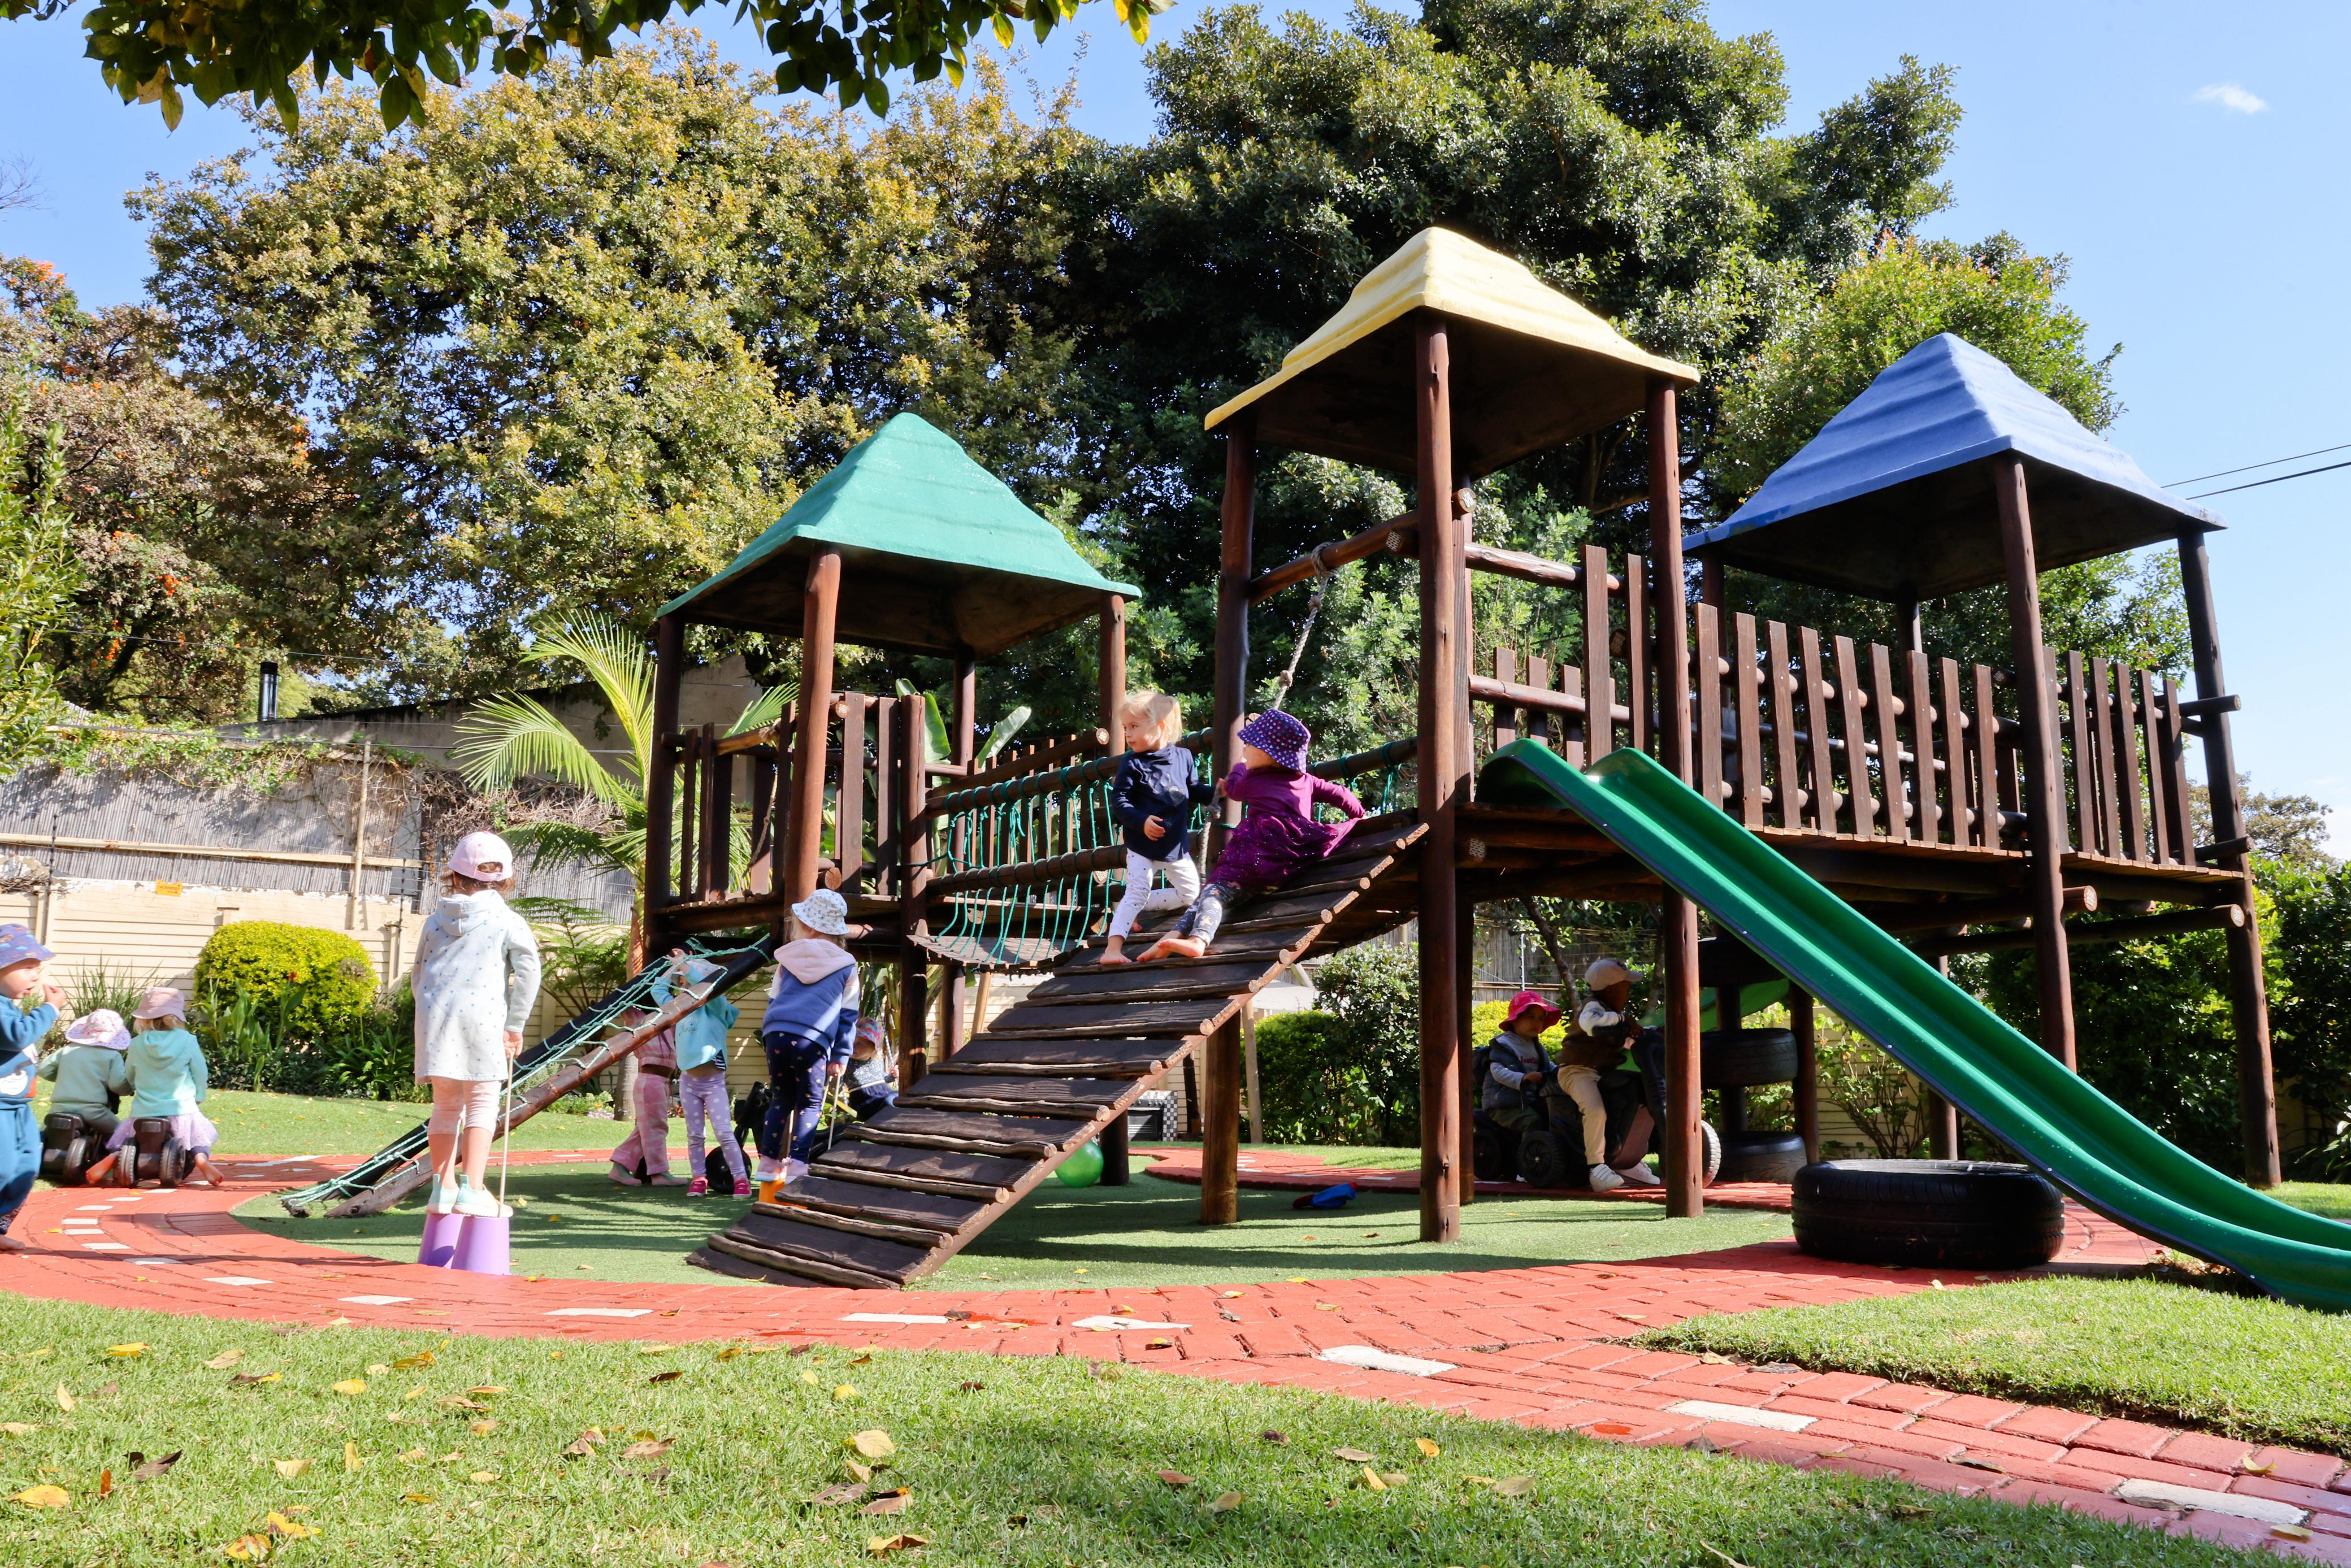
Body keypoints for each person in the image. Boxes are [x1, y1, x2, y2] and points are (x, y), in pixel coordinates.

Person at [1139, 710, 1364, 962]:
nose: (1244, 749)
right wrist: (1360, 815)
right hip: (1289, 862)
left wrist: (1237, 770)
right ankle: (1168, 941)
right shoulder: (1308, 780)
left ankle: (1198, 939)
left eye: (1249, 745)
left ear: (1267, 753)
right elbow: (1340, 793)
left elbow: (1233, 791)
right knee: (1209, 894)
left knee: (1214, 893)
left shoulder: (1253, 779)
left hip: (1254, 859)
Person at [410, 831, 541, 1218]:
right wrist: (515, 1024)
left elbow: (419, 974)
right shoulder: (506, 919)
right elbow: (529, 971)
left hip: (436, 1019)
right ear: (504, 878)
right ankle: (474, 1188)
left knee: (445, 1105)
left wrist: (431, 1015)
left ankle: (442, 1187)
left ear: (454, 874)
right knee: (483, 1102)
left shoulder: (435, 919)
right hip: (483, 1017)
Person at [754, 889, 861, 1189]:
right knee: (810, 1103)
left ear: (811, 927)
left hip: (776, 1034)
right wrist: (841, 1055)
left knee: (781, 1098)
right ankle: (799, 1163)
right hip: (812, 1041)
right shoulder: (847, 965)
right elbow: (848, 1014)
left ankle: (768, 1161)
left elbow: (774, 999)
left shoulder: (786, 958)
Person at [1100, 691, 1215, 966]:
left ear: (1161, 725)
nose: (1128, 733)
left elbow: (1194, 790)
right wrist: (1141, 821)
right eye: (1126, 727)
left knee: (1191, 895)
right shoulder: (1132, 762)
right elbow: (1119, 800)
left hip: (1174, 845)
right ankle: (1112, 949)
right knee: (1137, 889)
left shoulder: (1185, 757)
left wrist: (1220, 792)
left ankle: (1132, 906)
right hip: (1141, 844)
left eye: (1135, 726)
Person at [84, 988, 225, 1188]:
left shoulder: (136, 1043)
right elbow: (200, 1072)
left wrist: (132, 1086)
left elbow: (130, 1075)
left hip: (144, 1111)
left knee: (130, 1139)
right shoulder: (188, 1041)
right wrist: (199, 1095)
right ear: (176, 1017)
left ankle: (115, 1156)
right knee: (196, 1139)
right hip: (181, 1109)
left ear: (144, 1019)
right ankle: (202, 1159)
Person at [1558, 956, 1663, 1188]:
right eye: (1626, 986)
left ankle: (1628, 1157)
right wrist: (1623, 1018)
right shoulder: (1594, 1006)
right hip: (1577, 1072)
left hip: (1602, 1072)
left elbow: (1625, 1040)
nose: (1628, 991)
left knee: (1638, 1094)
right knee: (1596, 1111)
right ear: (1612, 989)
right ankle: (1595, 1168)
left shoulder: (1612, 1013)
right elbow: (1590, 1025)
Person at [0, 926, 69, 1250]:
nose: (34, 977)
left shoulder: (9, 1007)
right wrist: (50, 1009)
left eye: (36, 969)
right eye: (26, 967)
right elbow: (18, 1036)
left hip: (19, 1107)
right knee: (2, 1168)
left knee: (26, 1166)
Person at [669, 952, 748, 1197]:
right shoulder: (679, 1009)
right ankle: (699, 1178)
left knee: (724, 1132)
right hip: (688, 1081)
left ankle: (740, 1179)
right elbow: (659, 993)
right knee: (695, 1134)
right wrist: (668, 970)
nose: (682, 988)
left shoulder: (715, 1006)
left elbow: (707, 991)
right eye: (680, 985)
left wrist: (687, 967)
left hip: (713, 1083)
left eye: (686, 983)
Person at [606, 1001, 684, 1187]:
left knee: (647, 1128)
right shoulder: (637, 1017)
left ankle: (620, 1165)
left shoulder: (666, 1019)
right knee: (656, 1128)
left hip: (661, 1083)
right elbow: (624, 1002)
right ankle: (659, 1173)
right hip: (649, 1081)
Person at [42, 1006, 132, 1151]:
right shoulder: (111, 1055)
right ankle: (112, 1156)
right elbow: (118, 1086)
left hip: (59, 1107)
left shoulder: (67, 1050)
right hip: (93, 1110)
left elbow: (44, 1069)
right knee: (121, 1133)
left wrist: (63, 1077)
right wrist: (129, 1088)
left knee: (43, 1134)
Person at [844, 1017, 897, 1121]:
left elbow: (882, 1078)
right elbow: (835, 1083)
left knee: (898, 1097)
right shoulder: (846, 1061)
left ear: (873, 1048)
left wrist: (892, 1076)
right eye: (852, 1041)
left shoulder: (877, 1061)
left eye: (859, 1044)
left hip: (883, 1093)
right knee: (889, 1102)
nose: (853, 1046)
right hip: (866, 1100)